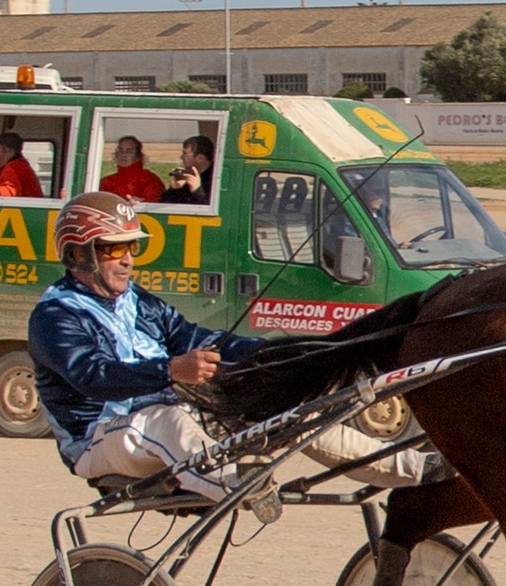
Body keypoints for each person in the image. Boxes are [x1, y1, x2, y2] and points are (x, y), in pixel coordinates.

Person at [30, 192, 441, 499]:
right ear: (78, 254)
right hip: (98, 440)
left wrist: (276, 355)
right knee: (165, 422)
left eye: (132, 247)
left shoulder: (138, 302)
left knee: (287, 408)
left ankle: (415, 467)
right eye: (114, 248)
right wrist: (171, 372)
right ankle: (235, 486)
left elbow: (198, 340)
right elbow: (91, 377)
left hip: (168, 418)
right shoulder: (55, 316)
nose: (128, 260)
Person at [98, 134, 165, 202]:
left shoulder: (149, 179)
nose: (123, 154)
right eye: (120, 150)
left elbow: (156, 204)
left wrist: (141, 202)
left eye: (129, 151)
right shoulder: (107, 182)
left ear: (138, 156)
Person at [159, 134, 216, 205]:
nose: (181, 157)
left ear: (200, 158)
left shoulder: (216, 179)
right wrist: (174, 189)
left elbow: (218, 209)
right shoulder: (186, 176)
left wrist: (197, 191)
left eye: (185, 153)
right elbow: (164, 205)